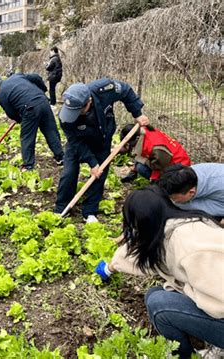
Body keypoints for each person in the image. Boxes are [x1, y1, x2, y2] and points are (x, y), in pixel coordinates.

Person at [94, 186, 224, 358]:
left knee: (159, 305)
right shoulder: (184, 222)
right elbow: (143, 254)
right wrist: (110, 267)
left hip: (220, 304)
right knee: (156, 293)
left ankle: (188, 355)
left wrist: (186, 290)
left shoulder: (188, 247)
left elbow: (219, 300)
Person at [55, 79, 149, 222]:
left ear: (89, 102)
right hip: (79, 142)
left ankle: (90, 211)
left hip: (102, 139)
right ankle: (62, 208)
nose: (74, 114)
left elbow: (125, 90)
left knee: (100, 174)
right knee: (69, 172)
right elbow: (75, 141)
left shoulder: (104, 89)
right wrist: (93, 163)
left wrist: (137, 113)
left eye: (78, 111)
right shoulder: (65, 118)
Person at [0, 74, 64, 171]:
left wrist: (19, 119)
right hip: (43, 101)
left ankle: (28, 166)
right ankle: (61, 157)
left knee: (27, 136)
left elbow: (11, 113)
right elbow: (36, 77)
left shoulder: (1, 96)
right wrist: (43, 90)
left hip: (29, 108)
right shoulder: (17, 76)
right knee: (50, 130)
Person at [119, 124, 191, 182]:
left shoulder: (156, 148)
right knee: (138, 159)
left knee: (140, 167)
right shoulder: (144, 132)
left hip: (178, 169)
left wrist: (142, 161)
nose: (129, 147)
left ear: (137, 139)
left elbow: (160, 166)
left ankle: (160, 185)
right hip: (166, 159)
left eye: (128, 144)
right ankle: (134, 174)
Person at [157, 163, 224, 218]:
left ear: (191, 192)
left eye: (174, 198)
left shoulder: (219, 184)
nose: (172, 200)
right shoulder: (185, 174)